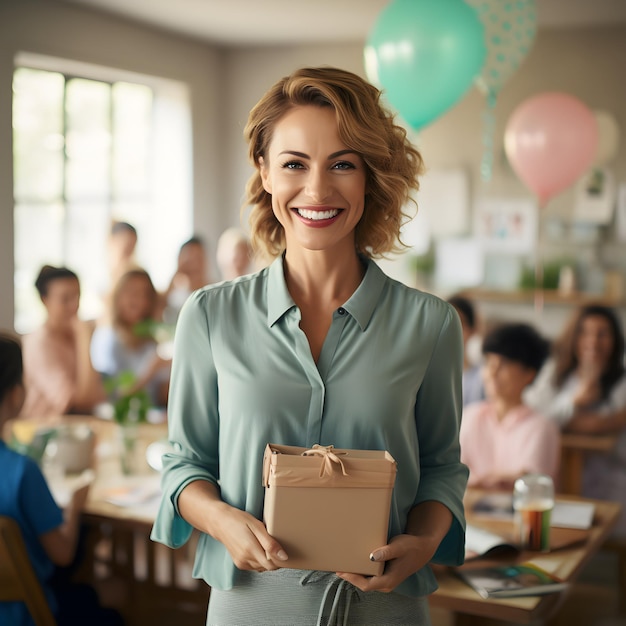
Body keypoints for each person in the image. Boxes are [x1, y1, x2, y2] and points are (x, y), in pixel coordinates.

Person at [151, 66, 467, 626]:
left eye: (342, 164)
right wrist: (222, 520)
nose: (317, 190)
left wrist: (421, 542)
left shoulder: (431, 325)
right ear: (265, 173)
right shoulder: (209, 316)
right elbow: (184, 465)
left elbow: (442, 467)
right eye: (294, 164)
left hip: (386, 609)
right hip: (250, 604)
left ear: (370, 176)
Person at [0, 332, 123, 625]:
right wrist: (75, 505)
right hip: (27, 613)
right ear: (17, 393)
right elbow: (62, 553)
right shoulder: (21, 470)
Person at [524, 304, 626, 536]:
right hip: (559, 474)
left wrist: (560, 418)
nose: (593, 341)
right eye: (585, 332)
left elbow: (598, 426)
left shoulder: (621, 380)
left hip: (610, 475)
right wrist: (575, 402)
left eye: (603, 334)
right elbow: (533, 416)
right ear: (574, 336)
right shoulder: (556, 370)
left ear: (615, 339)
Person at [460, 322, 559, 490]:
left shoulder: (541, 427)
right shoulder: (471, 416)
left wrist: (478, 480)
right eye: (489, 362)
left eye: (504, 364)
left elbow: (529, 483)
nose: (492, 372)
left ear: (529, 374)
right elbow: (452, 472)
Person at [19, 265, 105, 419]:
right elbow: (79, 405)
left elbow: (96, 397)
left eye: (77, 297)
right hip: (43, 434)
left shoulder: (73, 335)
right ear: (44, 300)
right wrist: (84, 341)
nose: (74, 306)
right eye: (65, 299)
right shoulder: (38, 344)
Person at [91, 268, 170, 408]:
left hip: (150, 422)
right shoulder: (107, 338)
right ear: (118, 296)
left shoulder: (150, 341)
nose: (139, 300)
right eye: (132, 292)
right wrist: (150, 370)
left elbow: (162, 395)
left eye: (145, 294)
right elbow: (111, 397)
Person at [160, 235, 210, 323]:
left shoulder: (214, 291)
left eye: (198, 258)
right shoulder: (174, 296)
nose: (195, 264)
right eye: (189, 259)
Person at [447, 294, 484, 407]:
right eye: (446, 322)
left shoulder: (483, 379)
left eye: (459, 323)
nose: (451, 330)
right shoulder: (424, 373)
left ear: (473, 330)